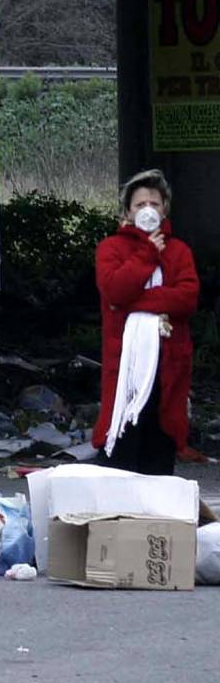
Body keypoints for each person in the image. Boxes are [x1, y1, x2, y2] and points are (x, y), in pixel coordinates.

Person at [92, 169, 202, 474]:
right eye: (140, 204)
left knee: (161, 440)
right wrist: (147, 254)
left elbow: (186, 298)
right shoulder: (111, 249)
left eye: (154, 203)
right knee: (122, 438)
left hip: (168, 364)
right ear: (128, 210)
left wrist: (132, 303)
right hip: (125, 366)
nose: (148, 210)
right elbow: (115, 289)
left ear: (165, 208)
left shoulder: (179, 252)